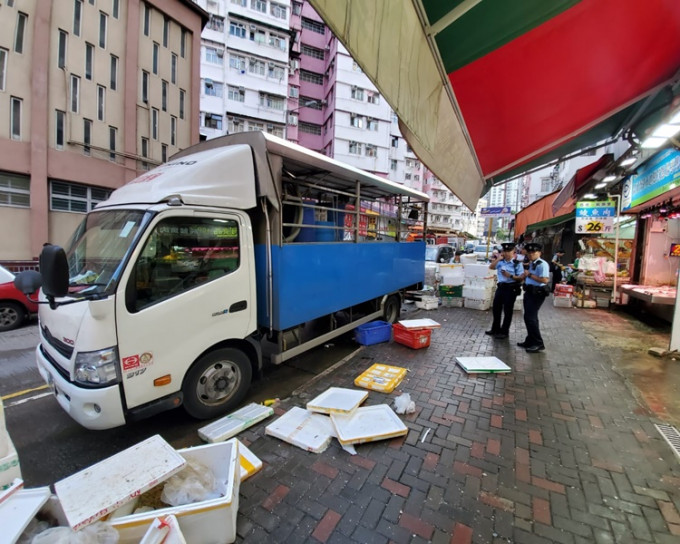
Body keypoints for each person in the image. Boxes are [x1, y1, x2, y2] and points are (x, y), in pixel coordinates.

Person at [485, 243, 524, 339]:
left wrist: (510, 276)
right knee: (496, 308)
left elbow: (521, 278)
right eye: (505, 251)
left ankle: (504, 331)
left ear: (513, 251)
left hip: (511, 288)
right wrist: (498, 258)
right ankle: (495, 329)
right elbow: (491, 267)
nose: (507, 253)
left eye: (509, 251)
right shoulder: (501, 262)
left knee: (507, 311)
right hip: (501, 287)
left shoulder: (517, 264)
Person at [519, 243, 550, 353]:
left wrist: (529, 275)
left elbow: (545, 280)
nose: (531, 254)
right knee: (528, 317)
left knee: (531, 318)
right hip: (529, 292)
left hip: (537, 293)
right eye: (529, 253)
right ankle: (530, 340)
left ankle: (538, 343)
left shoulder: (542, 264)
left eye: (534, 253)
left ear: (539, 253)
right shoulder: (532, 263)